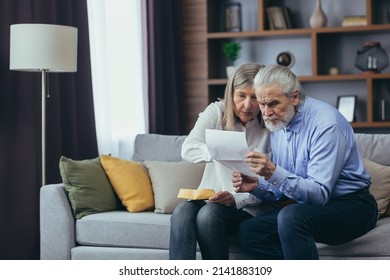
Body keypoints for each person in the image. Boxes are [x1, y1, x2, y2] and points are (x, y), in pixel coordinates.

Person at [232, 64, 378, 260]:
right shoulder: (279, 122)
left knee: (291, 217)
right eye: (262, 104)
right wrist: (257, 185)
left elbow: (319, 194)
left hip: (353, 206)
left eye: (273, 103)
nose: (265, 113)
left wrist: (274, 172)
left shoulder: (326, 125)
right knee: (248, 232)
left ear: (294, 97)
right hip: (307, 208)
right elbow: (284, 187)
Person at [169, 63, 271, 260]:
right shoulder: (216, 111)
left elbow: (272, 184)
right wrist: (219, 150)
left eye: (255, 97)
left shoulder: (270, 128)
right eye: (241, 96)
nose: (247, 105)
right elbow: (188, 149)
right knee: (182, 212)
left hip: (248, 207)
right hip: (209, 198)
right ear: (231, 94)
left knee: (209, 215)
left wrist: (236, 198)